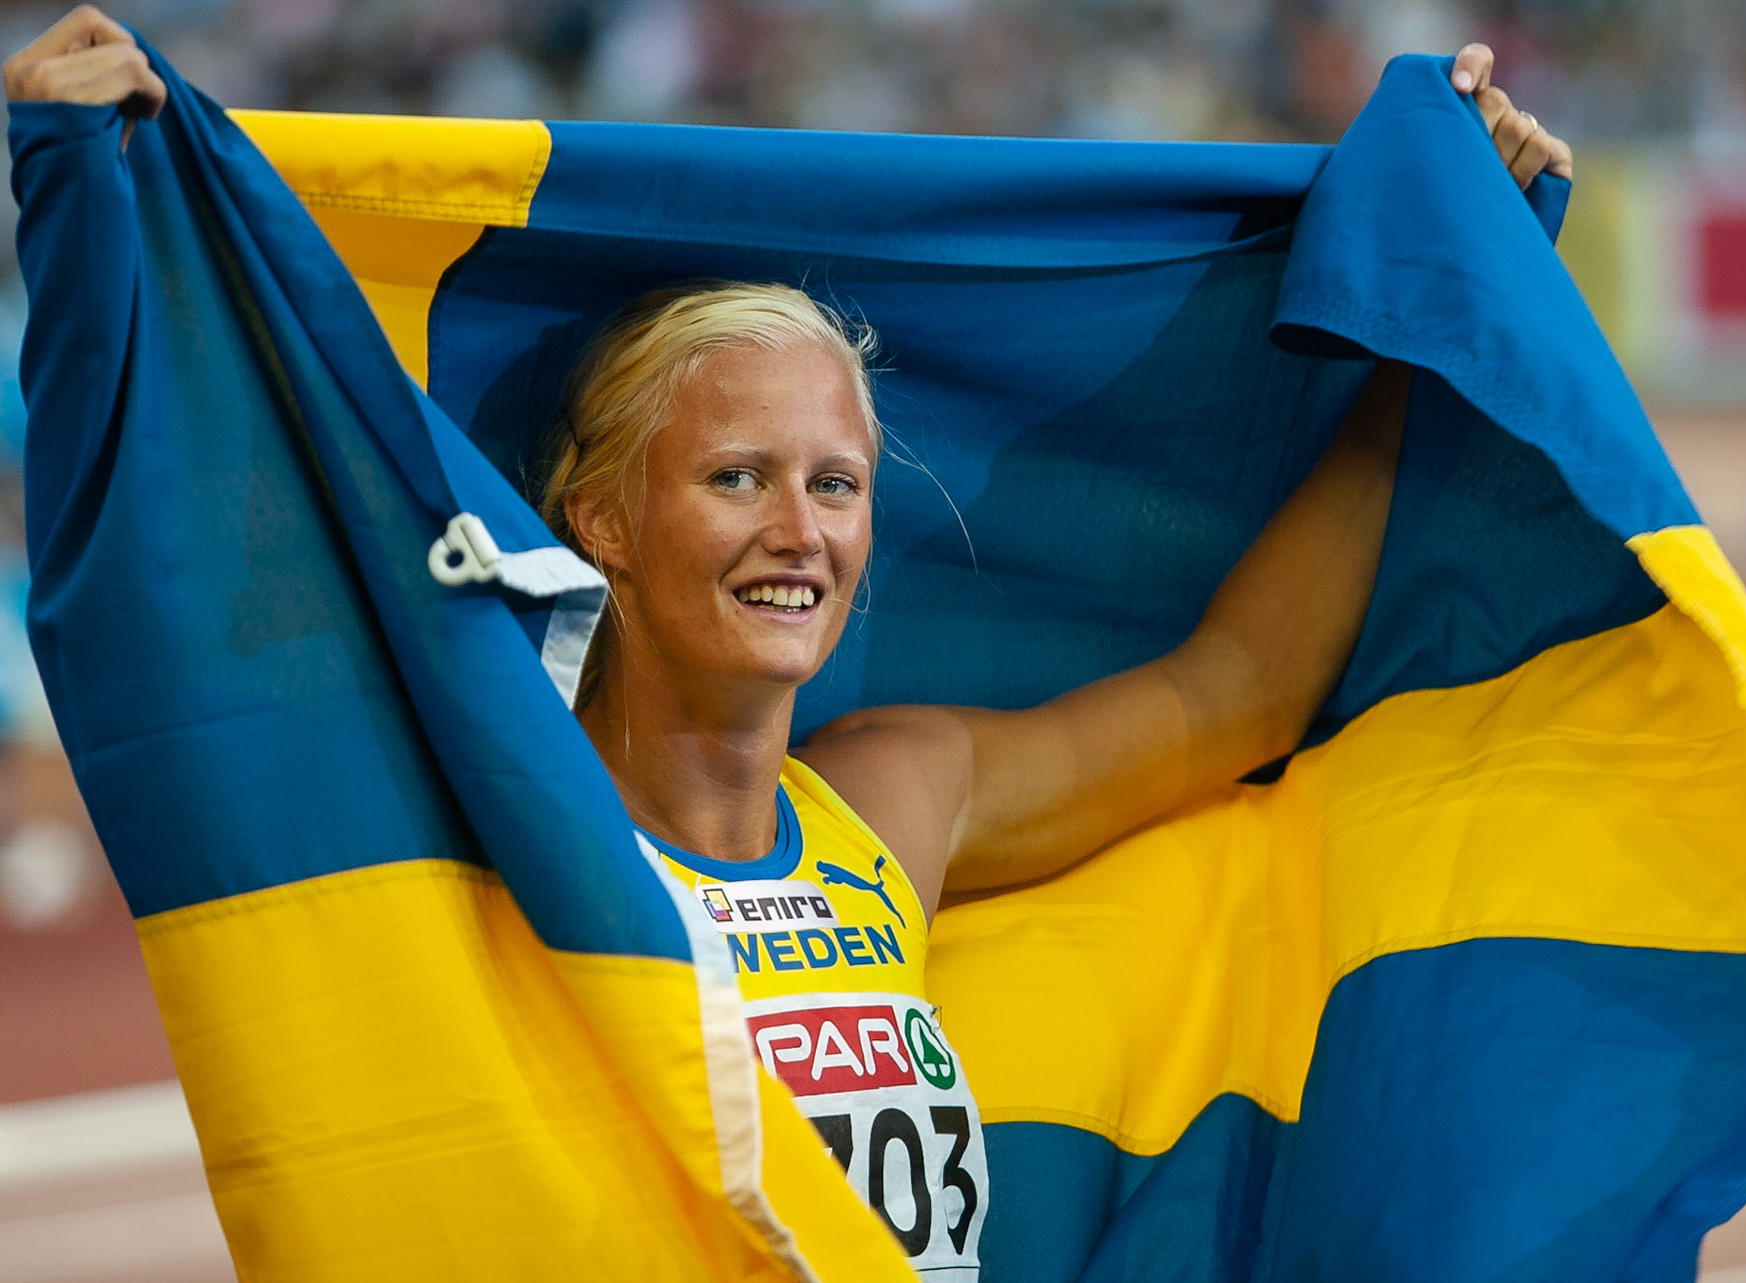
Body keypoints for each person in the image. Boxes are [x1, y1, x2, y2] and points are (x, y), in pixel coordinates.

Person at [6, 8, 1573, 1279]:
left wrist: (1443, 313)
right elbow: (169, 618)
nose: (800, 531)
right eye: (735, 478)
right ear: (601, 521)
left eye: (836, 484)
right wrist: (84, 205)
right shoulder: (497, 848)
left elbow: (1240, 689)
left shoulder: (889, 810)